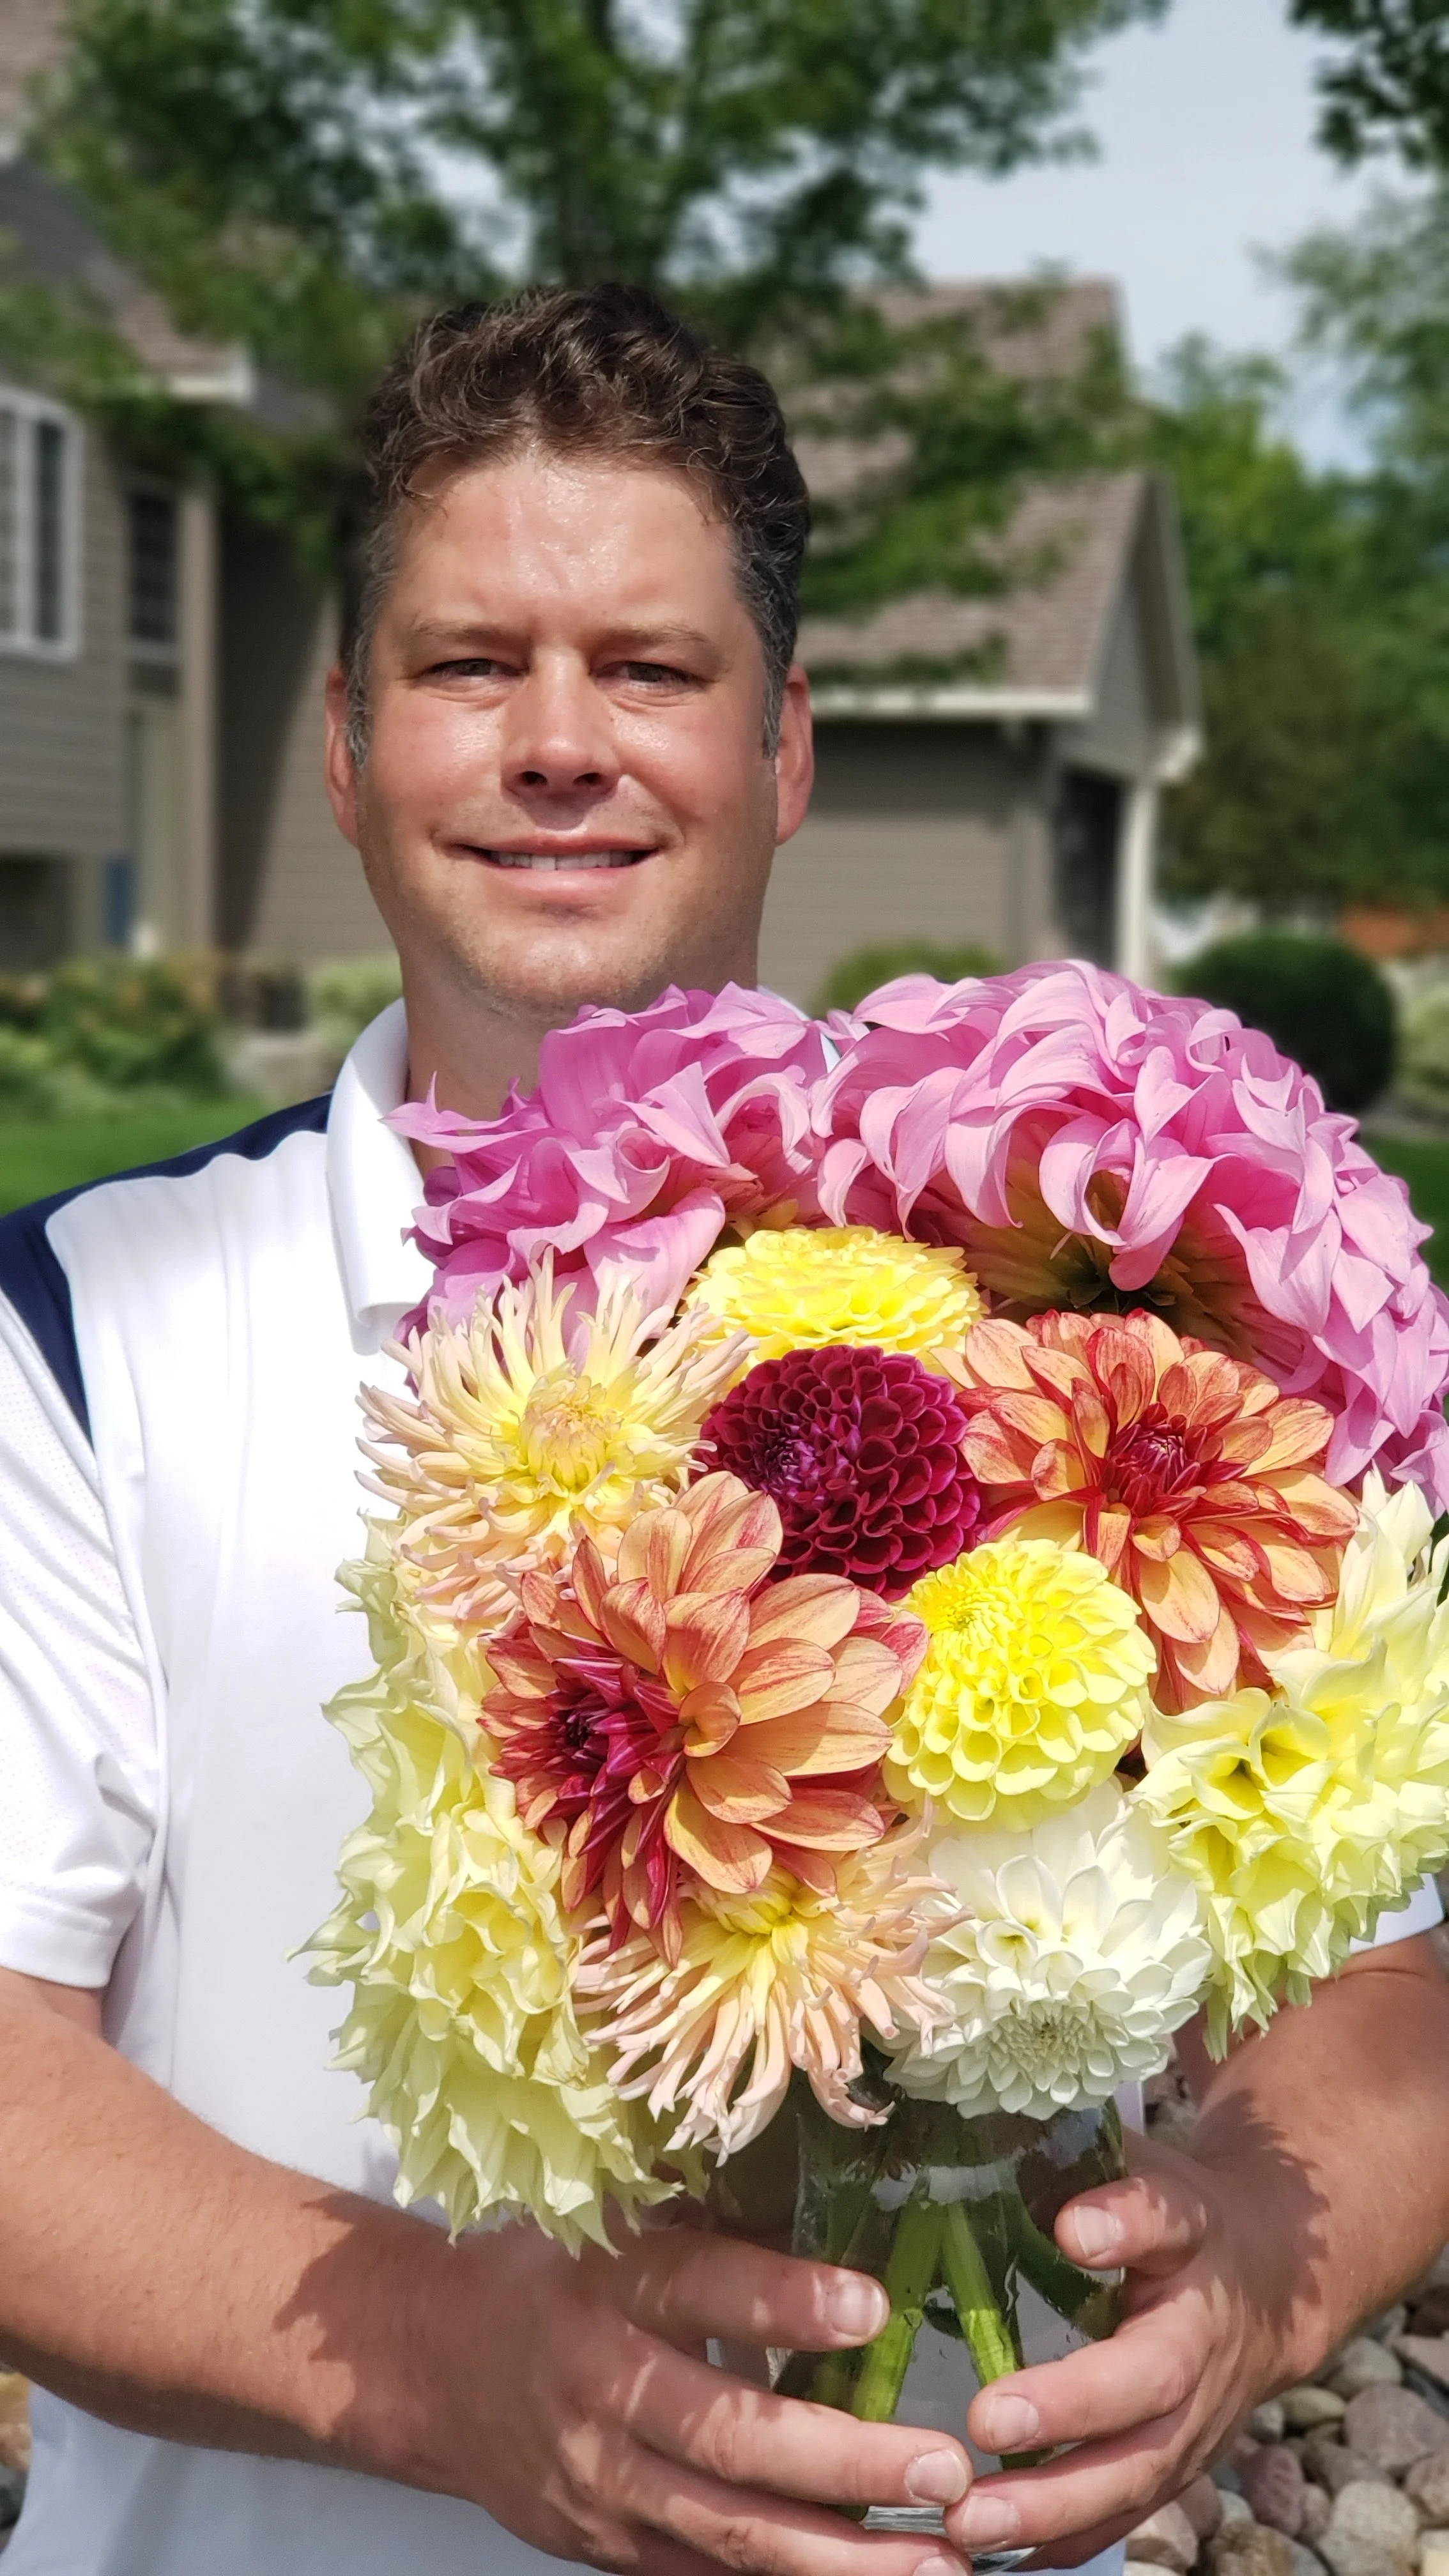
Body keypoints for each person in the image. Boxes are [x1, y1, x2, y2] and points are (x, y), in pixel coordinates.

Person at [0, 284, 1446, 2576]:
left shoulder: (1092, 1267)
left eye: (650, 670)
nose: (557, 744)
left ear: (784, 750)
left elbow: (1386, 1969)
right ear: (348, 747)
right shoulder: (88, 1333)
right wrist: (447, 2365)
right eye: (469, 665)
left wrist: (1264, 2262)